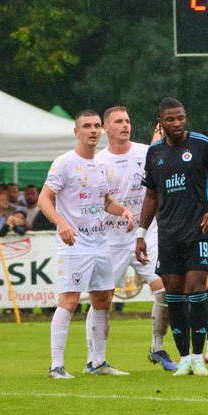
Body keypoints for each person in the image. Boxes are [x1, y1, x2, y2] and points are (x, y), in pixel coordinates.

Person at [39, 109, 136, 379]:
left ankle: (98, 362)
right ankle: (56, 366)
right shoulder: (65, 163)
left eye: (96, 126)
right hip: (75, 244)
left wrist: (124, 211)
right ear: (76, 131)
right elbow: (44, 198)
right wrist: (61, 222)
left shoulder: (100, 165)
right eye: (87, 126)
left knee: (104, 299)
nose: (93, 130)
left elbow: (105, 202)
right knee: (69, 300)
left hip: (100, 243)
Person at [137, 98, 208, 377]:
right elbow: (151, 196)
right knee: (173, 296)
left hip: (198, 231)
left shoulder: (204, 145)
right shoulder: (154, 154)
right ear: (159, 123)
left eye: (181, 118)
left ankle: (199, 357)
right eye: (171, 120)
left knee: (196, 291)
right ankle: (184, 357)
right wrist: (141, 233)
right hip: (168, 235)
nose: (177, 124)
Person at [96, 106, 177, 372]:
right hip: (110, 239)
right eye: (118, 121)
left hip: (146, 233)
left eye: (128, 121)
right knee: (103, 299)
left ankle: (157, 348)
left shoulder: (146, 151)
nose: (125, 125)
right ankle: (96, 360)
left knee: (164, 289)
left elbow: (163, 158)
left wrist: (160, 140)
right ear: (106, 128)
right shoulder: (98, 161)